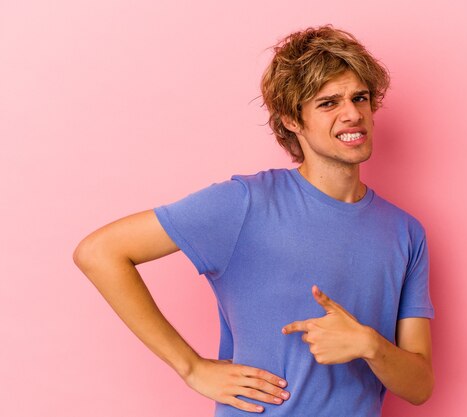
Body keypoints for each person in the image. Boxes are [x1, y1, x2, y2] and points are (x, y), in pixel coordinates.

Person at [73, 24, 435, 416]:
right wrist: (191, 368)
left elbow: (418, 386)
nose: (352, 114)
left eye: (359, 98)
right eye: (328, 103)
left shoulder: (405, 232)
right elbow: (99, 252)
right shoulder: (245, 204)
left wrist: (369, 345)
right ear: (292, 120)